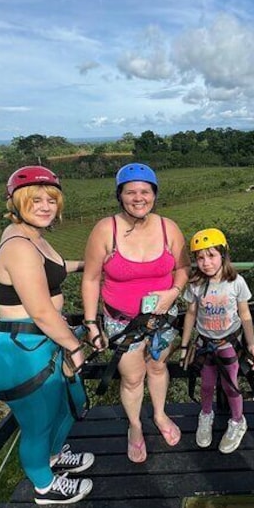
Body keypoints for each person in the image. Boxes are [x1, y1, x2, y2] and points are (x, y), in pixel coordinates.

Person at [0, 165, 95, 505]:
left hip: (42, 344)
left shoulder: (36, 239)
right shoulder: (19, 246)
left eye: (51, 199)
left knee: (66, 406)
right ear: (16, 203)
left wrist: (93, 264)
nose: (46, 206)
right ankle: (45, 486)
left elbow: (56, 267)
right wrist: (74, 346)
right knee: (38, 424)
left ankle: (55, 458)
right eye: (36, 200)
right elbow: (43, 311)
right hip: (24, 348)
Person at [81, 163, 190, 463]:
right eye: (131, 192)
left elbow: (183, 268)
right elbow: (90, 278)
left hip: (162, 318)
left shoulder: (169, 228)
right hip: (121, 321)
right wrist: (91, 323)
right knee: (131, 378)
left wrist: (173, 292)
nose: (138, 198)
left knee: (157, 367)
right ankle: (135, 426)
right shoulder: (106, 230)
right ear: (120, 196)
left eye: (145, 191)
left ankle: (159, 414)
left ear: (154, 195)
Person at [179, 228, 254, 454]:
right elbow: (191, 314)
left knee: (231, 386)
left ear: (223, 255)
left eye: (211, 255)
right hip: (205, 344)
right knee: (206, 384)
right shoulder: (196, 284)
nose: (206, 262)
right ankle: (206, 414)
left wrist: (252, 344)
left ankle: (237, 421)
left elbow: (245, 315)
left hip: (228, 344)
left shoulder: (236, 282)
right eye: (200, 257)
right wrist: (185, 345)